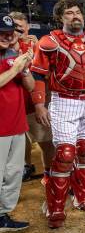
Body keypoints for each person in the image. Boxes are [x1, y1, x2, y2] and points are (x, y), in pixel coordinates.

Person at [30, 0, 85, 229]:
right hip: (64, 101)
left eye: (78, 12)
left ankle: (82, 197)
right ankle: (56, 207)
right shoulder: (51, 41)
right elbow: (38, 75)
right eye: (69, 13)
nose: (75, 16)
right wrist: (39, 104)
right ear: (60, 17)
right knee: (66, 154)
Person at [9, 11, 53, 183]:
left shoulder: (36, 46)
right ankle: (26, 167)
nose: (16, 32)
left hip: (31, 103)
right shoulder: (5, 45)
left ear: (27, 27)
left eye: (20, 28)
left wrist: (40, 102)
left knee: (46, 142)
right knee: (15, 146)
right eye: (13, 28)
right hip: (11, 106)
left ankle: (51, 175)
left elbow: (46, 77)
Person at [0, 13, 34, 231]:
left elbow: (30, 86)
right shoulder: (10, 59)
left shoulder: (14, 54)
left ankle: (3, 215)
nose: (5, 36)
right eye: (1, 33)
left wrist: (26, 66)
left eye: (8, 33)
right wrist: (14, 69)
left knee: (13, 173)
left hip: (17, 123)